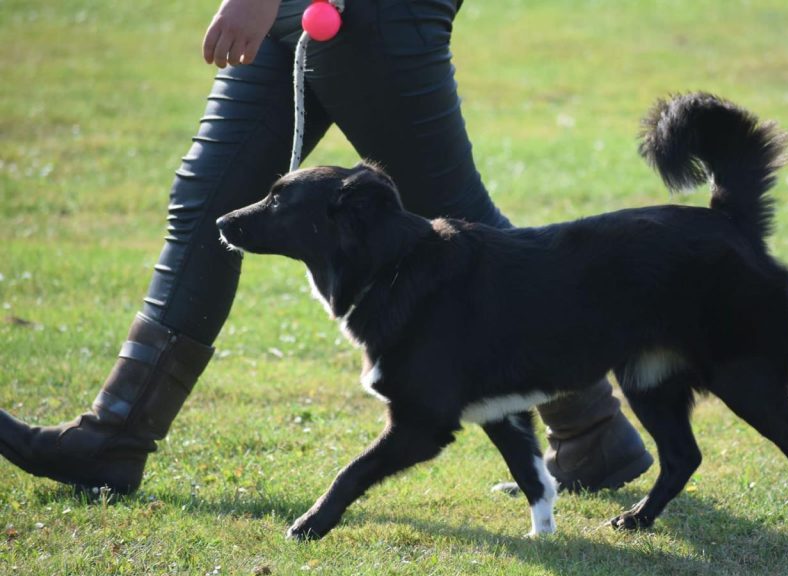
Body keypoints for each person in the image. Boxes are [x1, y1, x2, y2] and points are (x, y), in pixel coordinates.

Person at [0, 0, 651, 496]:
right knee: (208, 205)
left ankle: (590, 430)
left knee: (461, 225)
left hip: (370, 13)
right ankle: (115, 436)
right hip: (299, 10)